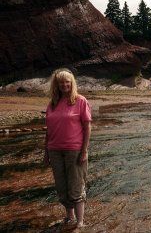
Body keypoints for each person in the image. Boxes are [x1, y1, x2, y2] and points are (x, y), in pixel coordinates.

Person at [43, 68, 92, 229]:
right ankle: (69, 217)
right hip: (55, 150)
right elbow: (48, 131)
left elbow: (87, 127)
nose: (64, 85)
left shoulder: (80, 101)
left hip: (75, 150)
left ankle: (80, 222)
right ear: (56, 85)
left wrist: (84, 150)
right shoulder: (52, 104)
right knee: (62, 186)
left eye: (67, 82)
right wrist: (46, 153)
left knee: (76, 186)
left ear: (72, 83)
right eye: (60, 82)